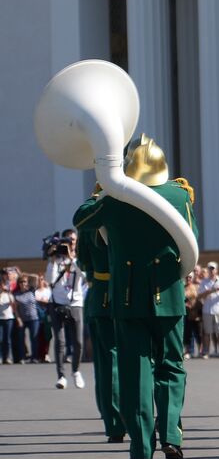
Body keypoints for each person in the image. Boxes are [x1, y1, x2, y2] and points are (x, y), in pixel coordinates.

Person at [73, 135, 196, 459]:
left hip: (127, 297)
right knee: (171, 365)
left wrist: (104, 187)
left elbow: (81, 219)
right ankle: (171, 433)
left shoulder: (115, 198)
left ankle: (141, 445)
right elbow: (190, 240)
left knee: (134, 370)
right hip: (168, 293)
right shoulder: (179, 194)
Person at [76, 184, 126, 443]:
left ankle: (114, 423)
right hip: (129, 294)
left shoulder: (90, 221)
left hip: (100, 295)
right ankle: (140, 418)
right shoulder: (126, 210)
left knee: (106, 365)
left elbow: (83, 261)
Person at [46, 230, 88, 389]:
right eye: (68, 240)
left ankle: (76, 371)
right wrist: (52, 259)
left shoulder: (80, 258)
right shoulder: (56, 261)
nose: (70, 243)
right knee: (60, 341)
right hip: (57, 303)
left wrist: (72, 258)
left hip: (76, 303)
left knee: (78, 341)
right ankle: (61, 376)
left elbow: (85, 278)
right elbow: (49, 280)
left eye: (73, 240)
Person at [198, 262, 219, 358]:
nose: (211, 270)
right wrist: (209, 291)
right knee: (207, 333)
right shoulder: (204, 282)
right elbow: (199, 296)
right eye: (210, 269)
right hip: (207, 310)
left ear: (216, 270)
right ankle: (207, 352)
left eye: (213, 268)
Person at [12, 275, 39, 363]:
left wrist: (23, 273)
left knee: (34, 338)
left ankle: (34, 357)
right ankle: (22, 357)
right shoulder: (16, 294)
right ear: (19, 284)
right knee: (21, 339)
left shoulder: (32, 291)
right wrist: (18, 319)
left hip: (34, 319)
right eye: (21, 282)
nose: (23, 283)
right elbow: (15, 309)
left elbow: (36, 277)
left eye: (24, 281)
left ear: (27, 283)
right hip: (22, 319)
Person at [0, 280, 13, 365]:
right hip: (0, 319)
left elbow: (12, 302)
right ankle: (0, 357)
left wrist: (8, 292)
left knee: (7, 339)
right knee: (0, 339)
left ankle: (8, 357)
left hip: (9, 318)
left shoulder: (8, 295)